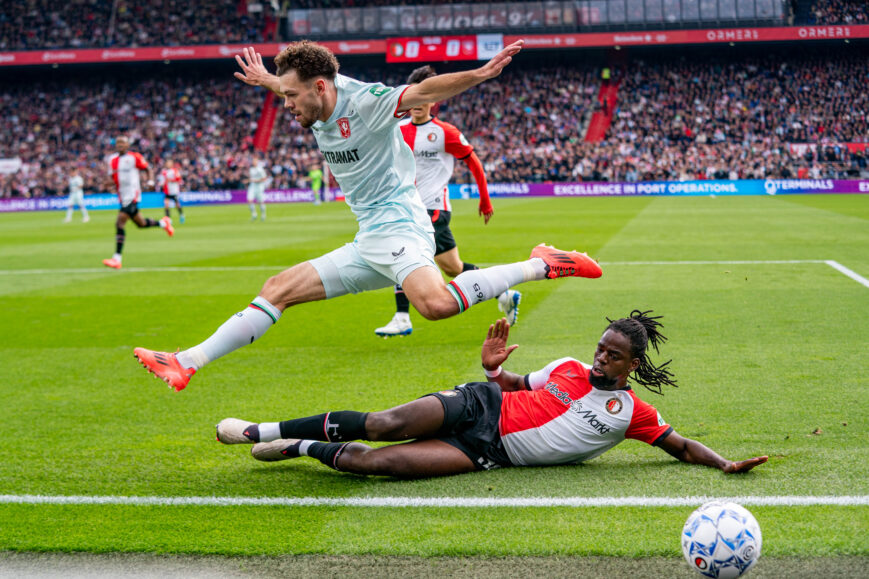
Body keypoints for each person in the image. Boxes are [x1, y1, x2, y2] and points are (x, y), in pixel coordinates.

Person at [133, 40, 602, 392]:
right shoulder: (312, 100)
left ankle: (544, 262)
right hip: (369, 237)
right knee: (277, 289)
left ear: (320, 87)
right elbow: (285, 83)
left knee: (435, 305)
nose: (287, 104)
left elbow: (423, 89)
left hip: (401, 224)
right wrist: (267, 80)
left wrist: (480, 73)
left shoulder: (366, 102)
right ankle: (186, 362)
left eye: (292, 95)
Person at [215, 312, 768, 478]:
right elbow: (510, 384)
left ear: (633, 365)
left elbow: (680, 445)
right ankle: (261, 431)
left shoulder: (631, 413)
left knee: (372, 464)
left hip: (487, 452)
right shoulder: (567, 367)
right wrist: (492, 369)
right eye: (600, 348)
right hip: (482, 404)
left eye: (613, 355)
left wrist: (724, 463)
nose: (600, 358)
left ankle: (301, 450)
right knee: (382, 423)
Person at [374, 65, 519, 338]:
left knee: (402, 253)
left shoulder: (445, 132)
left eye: (424, 97)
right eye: (413, 97)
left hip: (433, 208)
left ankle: (402, 316)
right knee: (453, 267)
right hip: (405, 206)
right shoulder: (398, 129)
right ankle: (504, 292)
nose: (418, 104)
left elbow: (473, 162)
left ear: (433, 100)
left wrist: (485, 200)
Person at [102, 136, 173, 270]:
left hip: (132, 195)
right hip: (122, 196)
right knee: (141, 223)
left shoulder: (134, 157)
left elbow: (148, 169)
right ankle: (164, 223)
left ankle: (117, 258)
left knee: (120, 222)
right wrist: (108, 184)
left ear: (128, 145)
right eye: (118, 143)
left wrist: (151, 182)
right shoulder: (112, 160)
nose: (120, 145)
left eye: (122, 142)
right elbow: (115, 178)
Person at [159, 158, 185, 224]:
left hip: (174, 191)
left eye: (169, 163)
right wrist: (161, 183)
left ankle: (181, 215)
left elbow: (178, 179)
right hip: (167, 191)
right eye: (167, 163)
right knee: (166, 204)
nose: (168, 164)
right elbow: (162, 180)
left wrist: (171, 180)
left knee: (177, 205)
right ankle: (168, 219)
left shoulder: (175, 171)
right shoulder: (164, 171)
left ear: (172, 164)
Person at [246, 153, 269, 221]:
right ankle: (254, 214)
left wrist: (256, 180)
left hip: (259, 187)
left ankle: (263, 214)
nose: (253, 162)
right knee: (250, 200)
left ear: (257, 162)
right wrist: (249, 181)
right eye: (253, 161)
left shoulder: (260, 169)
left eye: (255, 161)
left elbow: (264, 178)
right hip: (252, 186)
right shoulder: (251, 169)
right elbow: (251, 178)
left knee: (261, 202)